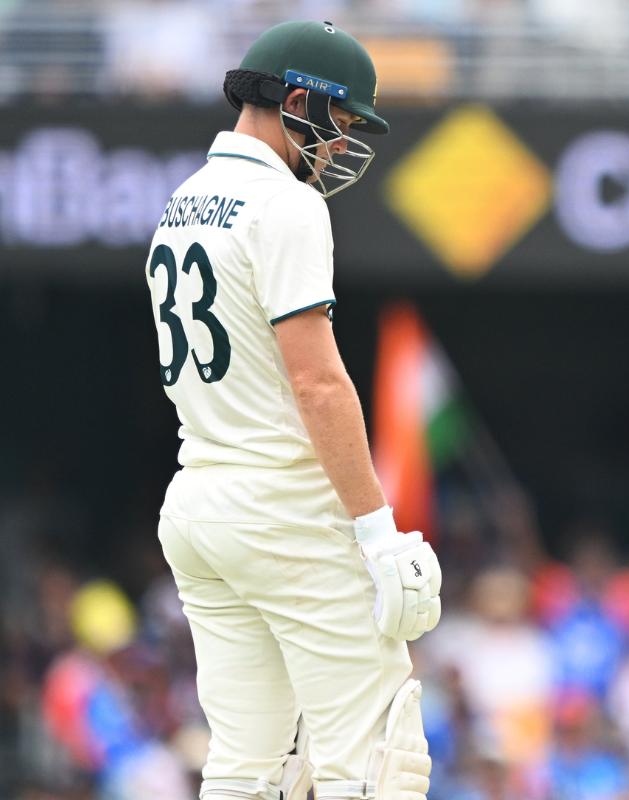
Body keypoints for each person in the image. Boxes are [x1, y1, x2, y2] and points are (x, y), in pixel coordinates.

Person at [143, 20, 442, 800]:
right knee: (377, 765)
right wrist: (378, 533)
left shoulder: (185, 199)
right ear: (298, 99)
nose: (342, 147)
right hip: (283, 508)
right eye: (339, 124)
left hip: (200, 501)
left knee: (250, 766)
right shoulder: (286, 204)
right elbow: (317, 383)